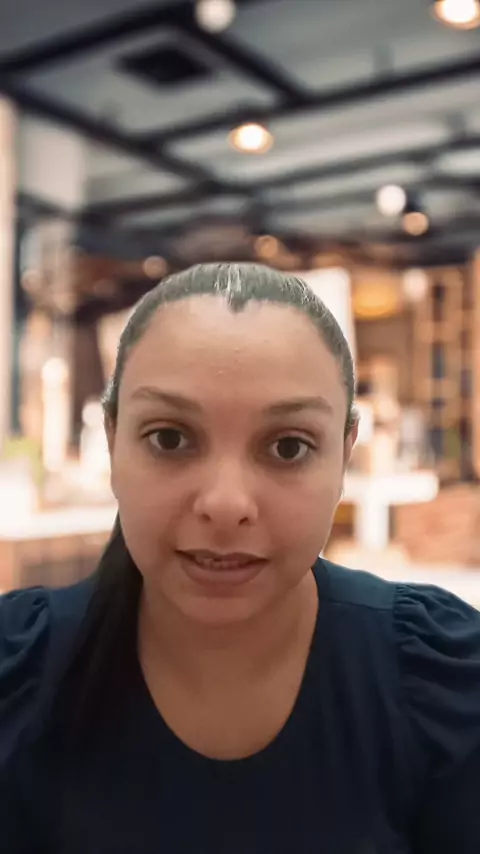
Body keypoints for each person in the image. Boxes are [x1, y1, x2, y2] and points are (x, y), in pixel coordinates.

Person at [1, 262, 480, 853]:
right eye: (170, 438)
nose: (226, 504)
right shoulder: (16, 676)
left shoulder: (443, 684)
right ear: (112, 440)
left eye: (288, 446)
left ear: (344, 456)